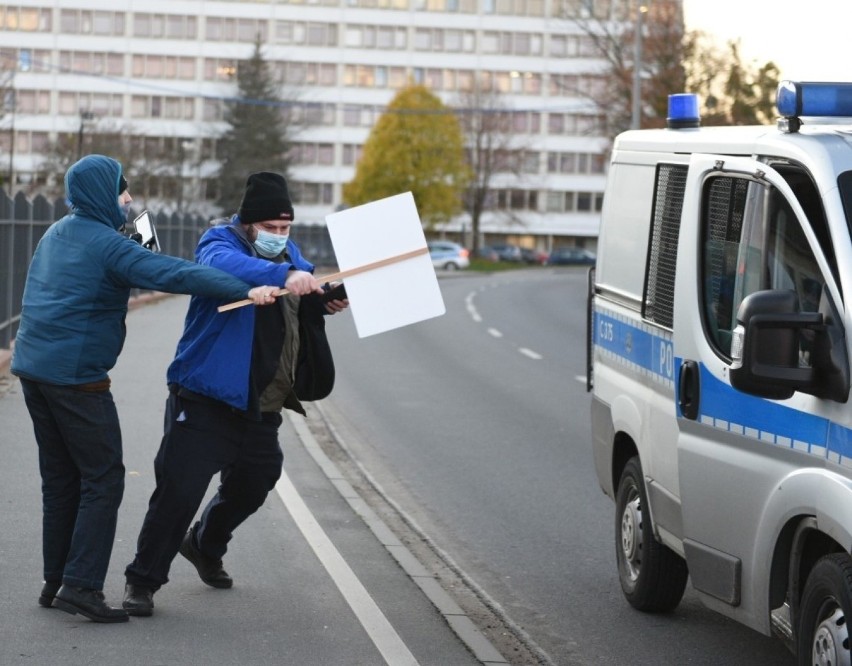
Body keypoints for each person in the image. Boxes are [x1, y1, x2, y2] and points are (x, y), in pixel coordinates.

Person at [11, 155, 281, 624]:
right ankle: (82, 587)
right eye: (122, 191)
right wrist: (246, 286)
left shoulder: (59, 232)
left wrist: (134, 234)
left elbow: (142, 259)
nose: (130, 199)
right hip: (78, 379)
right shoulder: (106, 245)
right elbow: (174, 274)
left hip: (34, 371)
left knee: (61, 481)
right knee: (103, 479)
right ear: (100, 194)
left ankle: (56, 581)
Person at [123, 172, 348, 617]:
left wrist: (323, 298)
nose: (279, 237)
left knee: (255, 482)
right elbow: (225, 268)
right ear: (248, 222)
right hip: (205, 397)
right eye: (271, 228)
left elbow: (298, 294)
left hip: (259, 403)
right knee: (178, 492)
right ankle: (142, 581)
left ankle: (205, 544)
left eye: (286, 229)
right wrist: (285, 272)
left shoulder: (289, 254)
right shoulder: (218, 242)